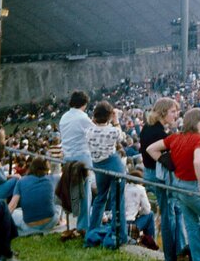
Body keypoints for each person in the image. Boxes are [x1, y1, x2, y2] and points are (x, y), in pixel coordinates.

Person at [147, 108, 200, 261]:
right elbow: (198, 161)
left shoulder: (175, 137)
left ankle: (197, 257)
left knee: (192, 226)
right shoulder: (199, 139)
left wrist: (166, 162)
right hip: (191, 188)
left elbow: (151, 149)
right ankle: (193, 250)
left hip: (177, 187)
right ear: (194, 122)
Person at [139, 97, 183, 261]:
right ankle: (170, 255)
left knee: (174, 211)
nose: (175, 115)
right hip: (158, 176)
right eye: (173, 112)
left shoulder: (149, 127)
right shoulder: (157, 132)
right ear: (163, 112)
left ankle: (178, 250)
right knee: (168, 214)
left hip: (150, 173)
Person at [86, 100, 127, 246]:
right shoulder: (113, 130)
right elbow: (122, 138)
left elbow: (97, 125)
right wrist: (116, 120)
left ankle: (92, 232)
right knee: (118, 201)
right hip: (114, 165)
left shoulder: (89, 131)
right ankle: (119, 235)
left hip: (98, 165)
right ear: (109, 116)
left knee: (100, 198)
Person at [58, 90, 93, 234]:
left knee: (71, 190)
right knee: (85, 193)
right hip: (82, 157)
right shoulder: (83, 117)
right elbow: (93, 134)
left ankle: (72, 224)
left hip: (67, 157)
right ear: (84, 104)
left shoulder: (64, 117)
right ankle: (84, 226)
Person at [8, 157, 60, 236]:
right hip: (51, 222)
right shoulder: (53, 178)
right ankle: (61, 221)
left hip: (29, 226)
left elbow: (12, 205)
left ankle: (32, 231)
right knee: (57, 205)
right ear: (46, 169)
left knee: (15, 212)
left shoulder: (21, 181)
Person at [124, 170, 157, 249]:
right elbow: (147, 210)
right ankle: (150, 242)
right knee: (150, 215)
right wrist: (139, 212)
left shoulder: (124, 187)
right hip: (130, 223)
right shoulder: (140, 189)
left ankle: (147, 241)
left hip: (119, 221)